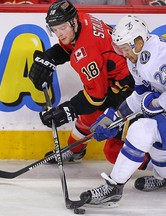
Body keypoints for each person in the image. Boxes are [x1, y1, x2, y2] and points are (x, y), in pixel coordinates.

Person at [79, 15, 166, 206]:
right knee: (156, 142)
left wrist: (154, 104)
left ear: (138, 42)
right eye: (119, 48)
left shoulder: (160, 57)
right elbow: (141, 95)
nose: (123, 53)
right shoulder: (137, 56)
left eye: (125, 48)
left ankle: (113, 187)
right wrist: (116, 116)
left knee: (141, 130)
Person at [28, 0, 135, 163]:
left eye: (62, 28)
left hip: (131, 90)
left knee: (113, 151)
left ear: (72, 22)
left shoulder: (85, 54)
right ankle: (74, 151)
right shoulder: (82, 20)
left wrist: (66, 111)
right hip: (117, 81)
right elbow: (69, 46)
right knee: (89, 114)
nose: (60, 34)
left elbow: (97, 97)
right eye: (55, 30)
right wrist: (50, 57)